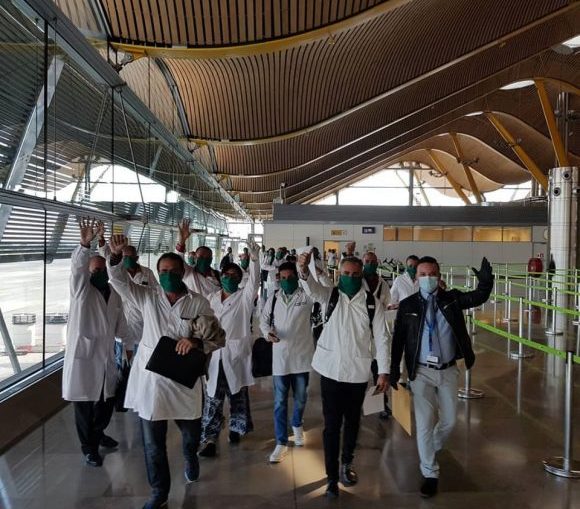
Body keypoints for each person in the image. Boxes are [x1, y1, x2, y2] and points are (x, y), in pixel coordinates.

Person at [107, 234, 225, 509]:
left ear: (183, 271)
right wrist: (115, 258)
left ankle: (190, 457)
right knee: (153, 444)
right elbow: (119, 281)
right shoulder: (147, 296)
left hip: (184, 380)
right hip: (153, 381)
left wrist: (195, 341)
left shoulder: (197, 302)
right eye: (162, 271)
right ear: (157, 274)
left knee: (189, 435)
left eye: (173, 271)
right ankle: (159, 493)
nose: (167, 275)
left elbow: (216, 336)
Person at [390, 256, 493, 498]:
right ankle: (430, 472)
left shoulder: (452, 299)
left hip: (447, 370)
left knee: (449, 420)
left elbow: (477, 297)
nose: (428, 278)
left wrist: (486, 283)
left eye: (432, 273)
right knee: (425, 423)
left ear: (439, 275)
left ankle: (433, 446)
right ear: (416, 277)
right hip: (421, 372)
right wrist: (394, 368)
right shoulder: (407, 306)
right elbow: (398, 341)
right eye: (423, 274)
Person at [297, 252, 390, 498]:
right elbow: (313, 289)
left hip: (357, 374)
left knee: (352, 423)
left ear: (362, 276)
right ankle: (330, 478)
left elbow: (382, 338)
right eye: (346, 274)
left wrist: (383, 372)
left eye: (355, 274)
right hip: (329, 371)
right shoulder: (331, 295)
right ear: (340, 274)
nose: (350, 278)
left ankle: (346, 464)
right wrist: (304, 270)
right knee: (331, 426)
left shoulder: (372, 304)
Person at [62, 218, 129, 467]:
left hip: (106, 357)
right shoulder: (81, 291)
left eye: (102, 269)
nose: (98, 274)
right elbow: (77, 268)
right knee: (84, 406)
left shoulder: (115, 295)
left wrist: (129, 347)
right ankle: (88, 447)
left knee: (107, 402)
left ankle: (98, 433)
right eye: (94, 271)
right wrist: (84, 244)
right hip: (84, 357)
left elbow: (121, 326)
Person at [198, 242, 261, 457]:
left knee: (237, 395)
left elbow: (254, 281)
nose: (230, 278)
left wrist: (254, 260)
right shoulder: (212, 298)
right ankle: (209, 437)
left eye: (235, 275)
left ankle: (236, 428)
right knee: (213, 398)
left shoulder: (244, 297)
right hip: (214, 354)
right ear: (221, 276)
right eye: (227, 274)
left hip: (236, 354)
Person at [260, 262, 315, 463]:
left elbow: (319, 291)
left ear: (296, 277)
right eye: (282, 278)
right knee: (280, 401)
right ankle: (281, 442)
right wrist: (268, 333)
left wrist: (308, 271)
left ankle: (297, 425)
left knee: (300, 398)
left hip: (301, 357)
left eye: (290, 277)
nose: (286, 281)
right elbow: (263, 321)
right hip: (280, 358)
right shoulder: (274, 299)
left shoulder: (306, 296)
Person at [362, 251, 392, 420]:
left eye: (373, 261)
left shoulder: (382, 283)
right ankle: (359, 403)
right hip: (361, 333)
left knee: (379, 372)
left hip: (378, 331)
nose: (370, 264)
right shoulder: (357, 282)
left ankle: (381, 405)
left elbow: (387, 302)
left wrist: (388, 307)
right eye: (367, 261)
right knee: (359, 373)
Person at [176, 219, 221, 295]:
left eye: (207, 258)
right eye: (201, 257)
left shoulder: (218, 275)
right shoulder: (188, 272)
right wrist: (182, 241)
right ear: (195, 258)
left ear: (211, 259)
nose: (204, 260)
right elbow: (177, 260)